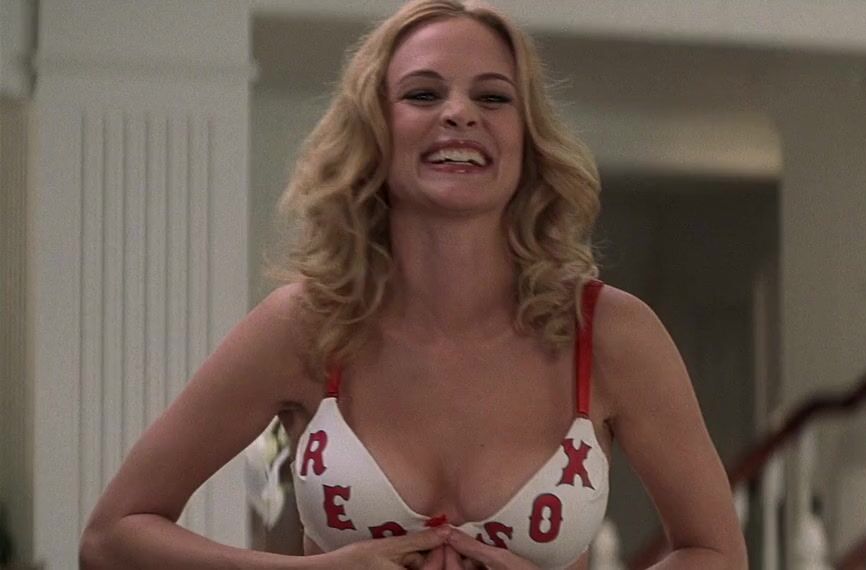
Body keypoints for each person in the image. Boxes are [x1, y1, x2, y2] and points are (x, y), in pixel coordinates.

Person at [78, 1, 747, 568]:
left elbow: (717, 553)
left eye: (493, 97)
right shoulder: (306, 326)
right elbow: (112, 538)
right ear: (375, 131)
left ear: (527, 138)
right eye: (423, 94)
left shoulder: (610, 335)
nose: (459, 113)